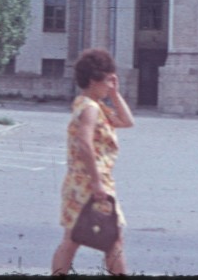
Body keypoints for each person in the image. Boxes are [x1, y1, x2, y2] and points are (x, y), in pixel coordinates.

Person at [51, 49, 135, 277]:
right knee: (112, 238)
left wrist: (115, 94)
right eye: (108, 80)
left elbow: (128, 121)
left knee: (73, 239)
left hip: (84, 182)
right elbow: (84, 144)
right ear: (93, 79)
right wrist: (97, 183)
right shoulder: (89, 108)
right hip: (90, 183)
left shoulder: (94, 105)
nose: (110, 84)